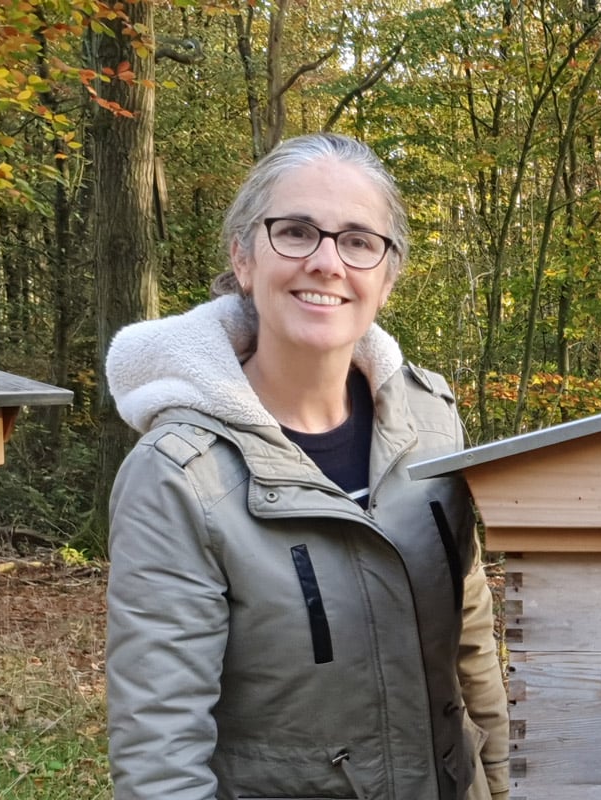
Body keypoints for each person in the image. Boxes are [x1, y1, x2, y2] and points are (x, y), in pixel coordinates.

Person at [105, 132, 510, 800]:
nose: (326, 262)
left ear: (387, 274)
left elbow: (471, 637)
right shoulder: (180, 476)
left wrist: (501, 782)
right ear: (244, 257)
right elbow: (160, 751)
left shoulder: (432, 422)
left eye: (357, 240)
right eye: (295, 231)